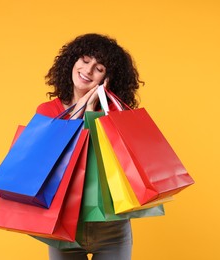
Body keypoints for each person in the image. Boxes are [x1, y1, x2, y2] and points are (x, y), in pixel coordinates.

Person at [36, 33, 144, 260]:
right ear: (73, 61)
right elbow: (55, 157)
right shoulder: (48, 111)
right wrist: (81, 107)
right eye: (85, 60)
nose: (88, 70)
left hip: (112, 229)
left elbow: (119, 164)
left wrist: (94, 109)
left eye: (99, 68)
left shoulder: (117, 115)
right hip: (63, 226)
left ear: (108, 79)